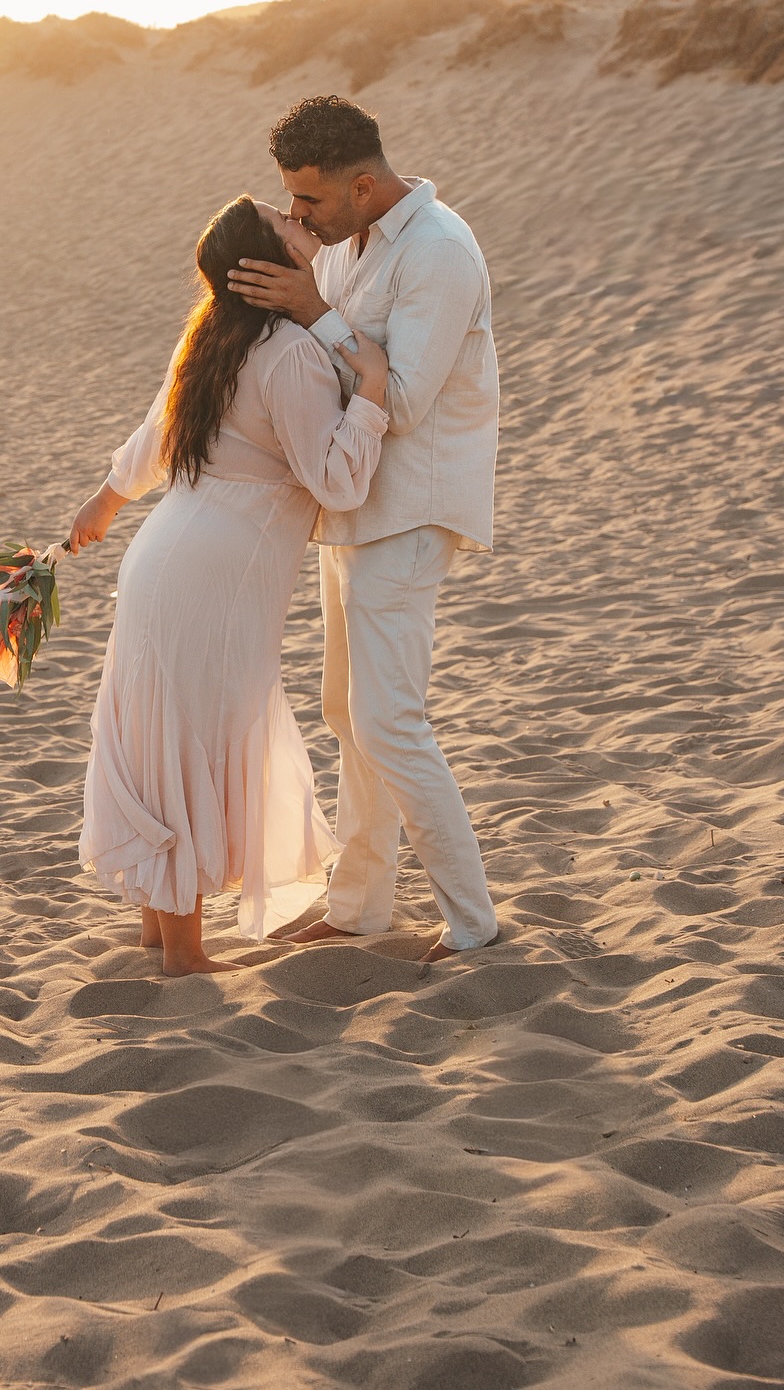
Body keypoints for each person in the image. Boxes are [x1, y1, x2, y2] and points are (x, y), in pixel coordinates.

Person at [67, 195, 391, 976]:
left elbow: (154, 440)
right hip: (223, 569)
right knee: (198, 741)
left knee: (159, 736)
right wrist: (373, 394)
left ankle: (160, 930)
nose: (294, 216)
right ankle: (185, 956)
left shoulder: (209, 337)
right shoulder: (290, 353)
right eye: (283, 222)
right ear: (267, 264)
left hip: (163, 554)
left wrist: (107, 500)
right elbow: (336, 480)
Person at [227, 94, 500, 962]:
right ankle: (360, 908)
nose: (299, 215)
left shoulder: (440, 251)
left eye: (308, 200)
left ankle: (473, 921)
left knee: (390, 721)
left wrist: (315, 312)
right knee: (348, 713)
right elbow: (330, 363)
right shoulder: (347, 247)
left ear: (361, 182)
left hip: (412, 509)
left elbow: (406, 400)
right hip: (351, 509)